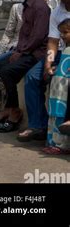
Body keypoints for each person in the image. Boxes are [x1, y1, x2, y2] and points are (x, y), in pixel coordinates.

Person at [0, 0, 50, 133]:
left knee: (7, 72)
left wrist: (21, 52)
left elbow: (37, 36)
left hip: (37, 53)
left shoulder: (40, 7)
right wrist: (17, 50)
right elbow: (23, 33)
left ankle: (14, 110)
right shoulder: (26, 5)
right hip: (24, 49)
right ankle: (6, 108)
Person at [17, 0, 70, 142]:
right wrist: (48, 64)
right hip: (61, 53)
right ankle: (37, 125)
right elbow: (53, 42)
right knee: (33, 76)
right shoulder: (56, 13)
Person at [42, 18, 70, 154]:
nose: (63, 36)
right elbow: (52, 45)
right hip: (58, 89)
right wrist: (52, 66)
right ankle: (53, 141)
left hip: (65, 92)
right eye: (62, 33)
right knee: (54, 114)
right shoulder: (65, 49)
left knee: (61, 114)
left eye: (66, 33)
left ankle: (62, 144)